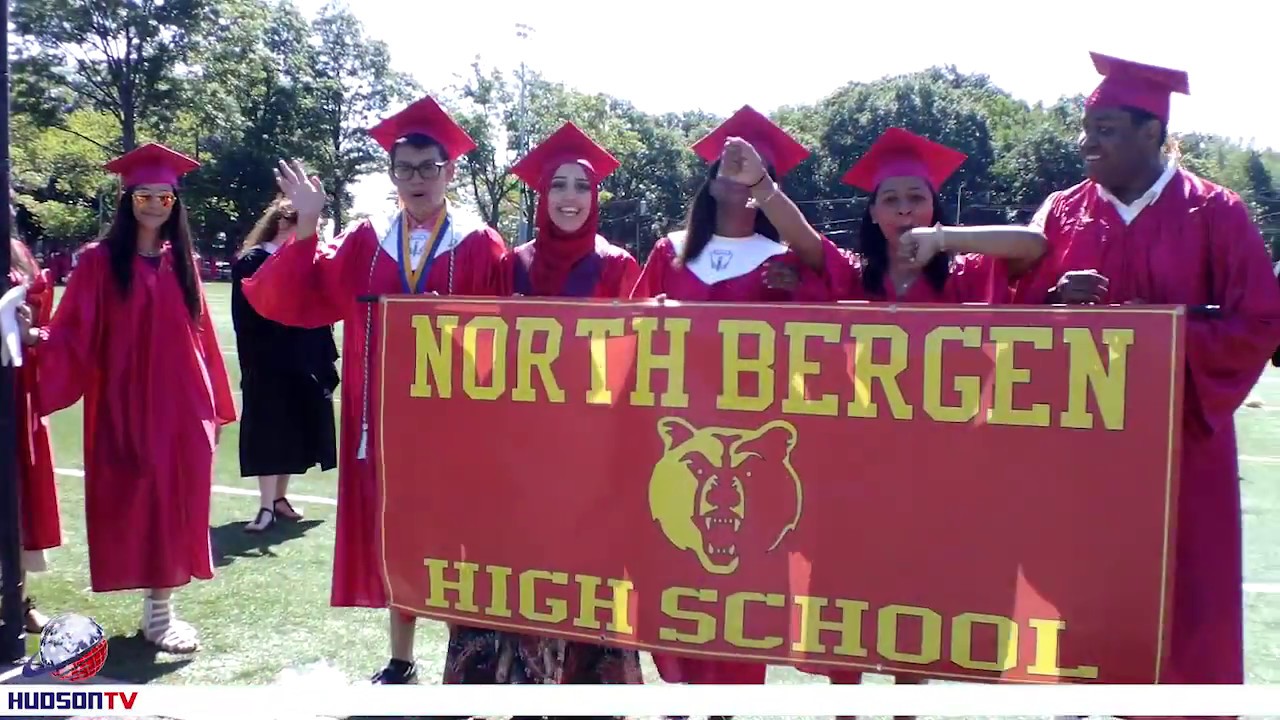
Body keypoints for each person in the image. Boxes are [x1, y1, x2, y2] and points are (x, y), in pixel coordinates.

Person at [1012, 52, 1280, 693]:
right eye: (1086, 128)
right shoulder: (1063, 212)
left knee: (1184, 587)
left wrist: (1161, 333)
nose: (1087, 142)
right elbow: (1015, 316)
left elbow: (1259, 320)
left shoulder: (1214, 211)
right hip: (1082, 442)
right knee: (1076, 578)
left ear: (1152, 131)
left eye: (1104, 129)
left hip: (1179, 443)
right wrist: (1054, 304)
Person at [241, 95, 507, 684]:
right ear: (392, 174)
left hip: (456, 421)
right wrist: (307, 222)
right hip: (381, 417)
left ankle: (465, 662)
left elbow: (510, 334)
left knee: (458, 538)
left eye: (428, 167)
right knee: (399, 535)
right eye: (404, 168)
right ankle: (401, 659)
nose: (417, 179)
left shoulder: (481, 241)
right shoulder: (368, 237)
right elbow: (301, 293)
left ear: (449, 171)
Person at [631, 107, 837, 696]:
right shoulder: (670, 252)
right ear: (710, 178)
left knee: (745, 586)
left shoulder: (784, 262)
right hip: (678, 447)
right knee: (677, 569)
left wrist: (796, 295)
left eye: (755, 168)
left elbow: (820, 336)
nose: (739, 172)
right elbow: (629, 338)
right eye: (730, 162)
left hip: (751, 453)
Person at [18, 143, 237, 653]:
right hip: (128, 403)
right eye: (144, 196)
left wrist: (216, 406)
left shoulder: (182, 260)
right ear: (128, 200)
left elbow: (202, 337)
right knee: (140, 501)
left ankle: (161, 612)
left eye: (165, 197)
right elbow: (73, 332)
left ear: (175, 203)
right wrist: (37, 338)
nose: (155, 205)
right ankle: (155, 611)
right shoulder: (99, 262)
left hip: (184, 404)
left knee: (178, 500)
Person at [447, 121, 642, 688]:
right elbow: (485, 356)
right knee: (515, 574)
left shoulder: (617, 266)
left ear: (595, 196)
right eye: (558, 185)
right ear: (542, 195)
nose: (570, 197)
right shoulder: (513, 265)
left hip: (592, 460)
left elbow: (634, 367)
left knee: (584, 582)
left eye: (582, 186)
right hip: (519, 458)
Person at [768, 127, 1047, 304]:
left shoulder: (964, 275)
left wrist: (941, 239)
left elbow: (1034, 245)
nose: (904, 209)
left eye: (916, 197)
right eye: (890, 199)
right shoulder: (853, 274)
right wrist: (760, 184)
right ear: (874, 214)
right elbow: (801, 236)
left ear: (933, 207)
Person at [231, 197, 339, 533]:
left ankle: (279, 498)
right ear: (282, 223)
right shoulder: (252, 261)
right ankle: (265, 505)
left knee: (294, 429)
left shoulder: (306, 260)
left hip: (302, 358)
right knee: (269, 430)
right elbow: (248, 316)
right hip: (268, 359)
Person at [7, 191, 61, 633]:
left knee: (19, 493)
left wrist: (31, 332)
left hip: (15, 388)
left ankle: (15, 600)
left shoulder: (19, 253)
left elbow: (43, 322)